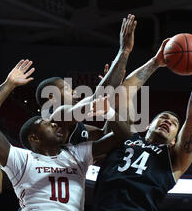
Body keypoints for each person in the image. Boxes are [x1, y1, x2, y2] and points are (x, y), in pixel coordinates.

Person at [0, 59, 131, 211]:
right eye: (47, 124)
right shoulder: (23, 160)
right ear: (34, 138)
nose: (55, 125)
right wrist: (9, 84)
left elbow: (121, 136)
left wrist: (112, 105)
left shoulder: (76, 154)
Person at [74, 41, 192, 211]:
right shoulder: (124, 137)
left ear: (175, 140)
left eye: (174, 124)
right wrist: (156, 62)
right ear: (148, 125)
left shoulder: (174, 158)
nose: (168, 120)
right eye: (163, 117)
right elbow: (122, 94)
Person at [35, 14, 137, 144]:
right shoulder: (56, 118)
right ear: (52, 97)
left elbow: (105, 135)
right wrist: (124, 51)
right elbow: (98, 97)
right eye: (67, 89)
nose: (74, 92)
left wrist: (114, 98)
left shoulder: (74, 125)